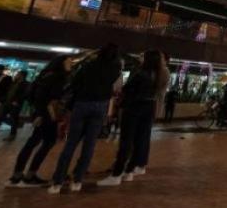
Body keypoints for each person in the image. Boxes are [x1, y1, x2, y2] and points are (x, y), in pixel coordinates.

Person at [49, 44, 123, 194]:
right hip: (100, 106)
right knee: (89, 146)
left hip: (82, 103)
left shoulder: (89, 66)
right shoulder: (115, 69)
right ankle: (77, 180)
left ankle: (58, 181)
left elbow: (75, 84)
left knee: (71, 143)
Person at [99, 50, 168, 186]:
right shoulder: (158, 75)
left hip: (134, 108)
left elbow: (127, 89)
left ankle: (116, 174)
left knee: (126, 141)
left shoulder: (141, 74)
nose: (140, 58)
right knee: (139, 140)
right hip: (148, 108)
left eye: (143, 56)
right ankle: (129, 171)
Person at [7, 55, 71, 188]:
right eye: (68, 61)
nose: (70, 63)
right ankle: (30, 175)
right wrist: (43, 114)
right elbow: (49, 97)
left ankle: (17, 175)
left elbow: (31, 95)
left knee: (32, 142)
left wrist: (36, 112)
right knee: (47, 142)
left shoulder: (45, 75)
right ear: (61, 63)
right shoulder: (58, 77)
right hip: (47, 114)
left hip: (40, 112)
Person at [0, 71, 30, 141]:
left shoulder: (26, 84)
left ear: (22, 75)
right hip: (6, 102)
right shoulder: (13, 82)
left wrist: (17, 101)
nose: (16, 75)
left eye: (18, 74)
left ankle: (12, 135)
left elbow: (25, 94)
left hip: (15, 104)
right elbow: (7, 91)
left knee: (13, 120)